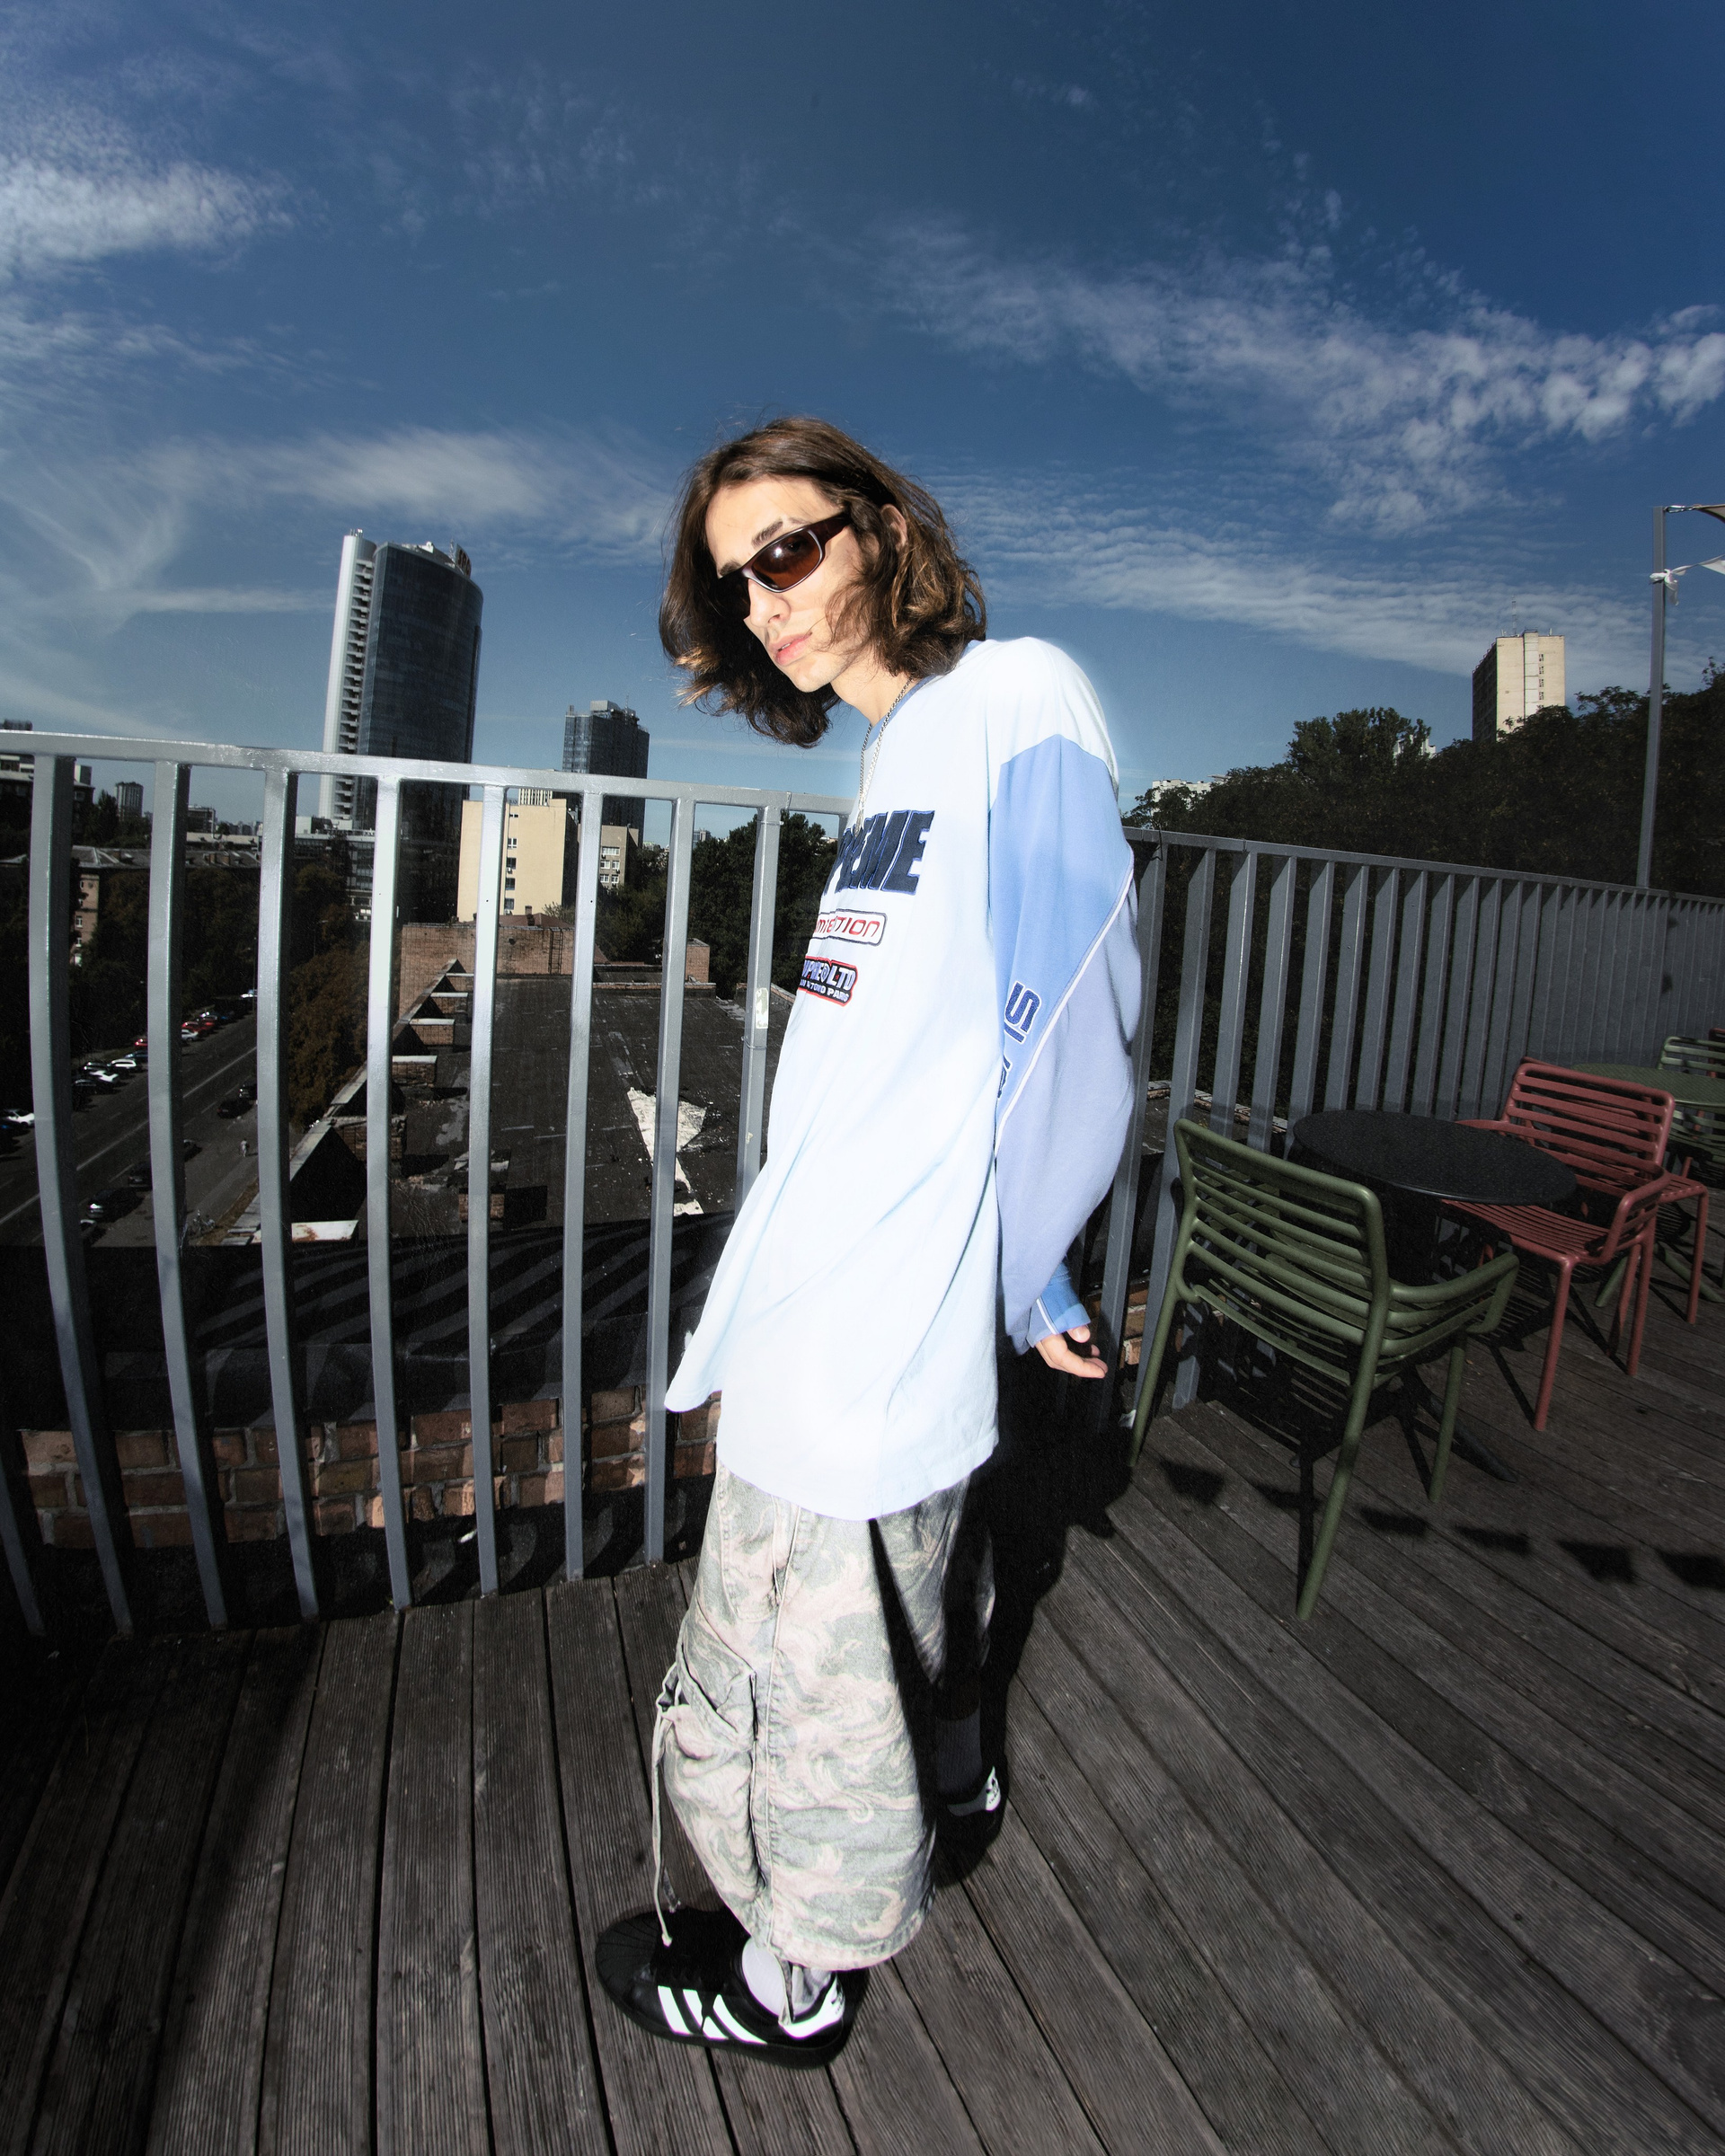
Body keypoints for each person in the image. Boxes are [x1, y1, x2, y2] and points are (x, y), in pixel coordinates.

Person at [596, 417, 1139, 2067]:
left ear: (884, 528)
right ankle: (947, 1783)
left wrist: (1025, 1269)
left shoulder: (1016, 695)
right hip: (826, 1292)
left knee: (804, 1673)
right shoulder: (895, 759)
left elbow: (1079, 1003)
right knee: (866, 1625)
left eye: (786, 549)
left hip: (875, 1323)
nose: (764, 601)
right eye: (734, 581)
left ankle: (794, 1988)